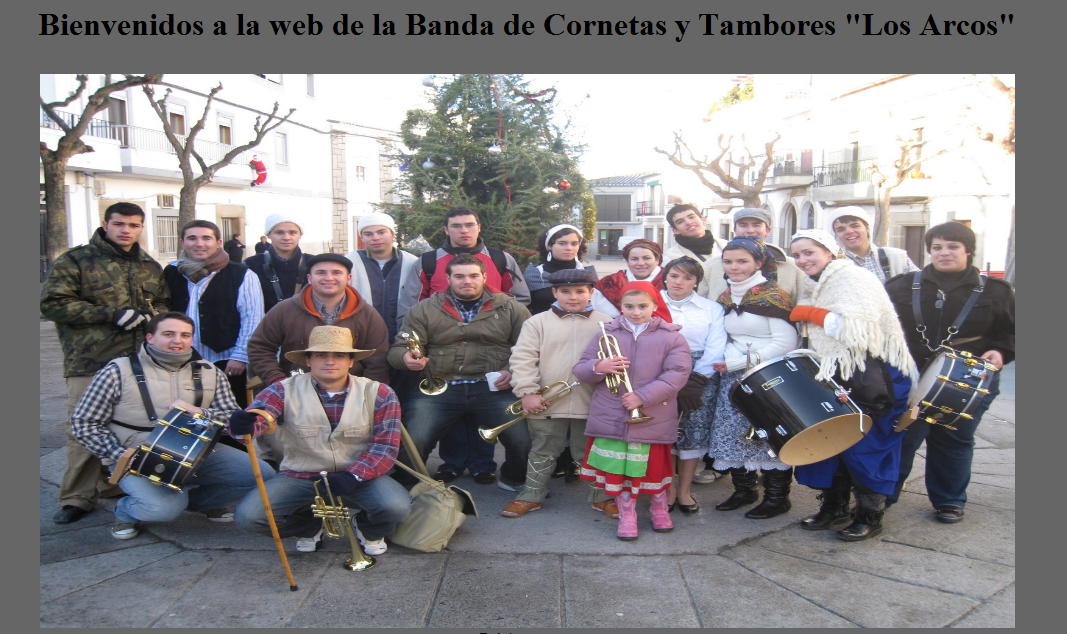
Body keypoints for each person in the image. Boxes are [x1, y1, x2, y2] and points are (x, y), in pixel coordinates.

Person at [70, 312, 274, 540]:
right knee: (163, 508)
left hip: (197, 449)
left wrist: (203, 413)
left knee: (261, 475)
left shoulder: (210, 371)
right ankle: (126, 511)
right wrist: (119, 455)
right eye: (168, 334)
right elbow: (84, 422)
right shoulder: (117, 371)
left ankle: (199, 503)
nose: (178, 341)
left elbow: (230, 419)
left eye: (185, 335)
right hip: (138, 454)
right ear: (150, 337)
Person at [41, 201, 171, 525]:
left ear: (141, 227)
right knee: (83, 428)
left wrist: (152, 317)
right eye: (119, 224)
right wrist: (109, 314)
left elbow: (165, 304)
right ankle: (77, 497)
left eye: (133, 225)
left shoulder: (148, 266)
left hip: (137, 363)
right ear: (106, 224)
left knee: (129, 427)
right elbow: (53, 303)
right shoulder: (77, 260)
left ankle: (112, 483)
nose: (126, 230)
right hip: (90, 360)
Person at [231, 326, 411, 556]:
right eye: (320, 355)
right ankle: (308, 526)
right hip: (301, 475)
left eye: (339, 355)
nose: (330, 361)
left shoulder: (380, 393)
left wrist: (354, 476)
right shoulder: (282, 390)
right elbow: (259, 417)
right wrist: (243, 425)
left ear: (351, 361)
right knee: (249, 517)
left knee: (397, 507)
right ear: (308, 360)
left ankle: (366, 527)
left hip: (359, 475)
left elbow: (385, 448)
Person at [788, 229, 917, 541]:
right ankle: (834, 508)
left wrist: (810, 314)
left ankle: (869, 515)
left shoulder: (852, 278)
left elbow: (857, 329)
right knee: (831, 443)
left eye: (809, 253)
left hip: (871, 375)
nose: (802, 260)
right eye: (797, 255)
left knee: (866, 446)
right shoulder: (815, 283)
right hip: (837, 373)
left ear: (830, 251)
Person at [884, 222, 1014, 524]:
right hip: (912, 378)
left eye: (953, 246)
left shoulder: (996, 290)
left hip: (969, 380)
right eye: (938, 247)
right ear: (930, 250)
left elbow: (1011, 331)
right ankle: (883, 495)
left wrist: (1001, 352)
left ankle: (949, 501)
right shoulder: (902, 285)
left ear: (968, 250)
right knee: (902, 437)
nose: (944, 253)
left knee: (954, 440)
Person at [397, 207, 530, 482]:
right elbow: (399, 346)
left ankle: (513, 478)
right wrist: (405, 359)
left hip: (492, 384)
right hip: (443, 384)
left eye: (473, 276)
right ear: (447, 279)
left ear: (485, 277)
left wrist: (512, 371)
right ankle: (408, 486)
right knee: (414, 437)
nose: (467, 281)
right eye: (459, 276)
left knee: (523, 438)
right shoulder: (424, 308)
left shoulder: (510, 306)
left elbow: (529, 348)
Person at [574, 281, 691, 540]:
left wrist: (642, 397)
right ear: (621, 307)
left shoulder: (672, 337)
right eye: (629, 306)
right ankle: (627, 513)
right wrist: (599, 366)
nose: (635, 312)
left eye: (642, 306)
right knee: (620, 470)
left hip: (653, 415)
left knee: (655, 469)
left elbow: (677, 375)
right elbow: (580, 369)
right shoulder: (606, 333)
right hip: (612, 414)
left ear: (654, 306)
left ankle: (660, 509)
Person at [500, 269, 616, 518]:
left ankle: (602, 496)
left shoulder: (606, 321)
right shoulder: (537, 322)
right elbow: (522, 359)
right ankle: (531, 494)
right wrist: (527, 392)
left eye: (580, 291)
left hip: (591, 402)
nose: (573, 297)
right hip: (547, 402)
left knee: (590, 452)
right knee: (543, 448)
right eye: (565, 291)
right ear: (554, 292)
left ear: (591, 293)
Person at [708, 237, 799, 520]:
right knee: (735, 434)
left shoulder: (772, 295)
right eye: (728, 261)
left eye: (742, 261)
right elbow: (730, 336)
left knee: (768, 435)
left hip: (768, 376)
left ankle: (777, 497)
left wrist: (739, 361)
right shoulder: (725, 296)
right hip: (734, 376)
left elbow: (786, 342)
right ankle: (744, 490)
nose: (734, 267)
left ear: (759, 263)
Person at [247, 253, 391, 386]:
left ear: (348, 278)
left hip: (351, 396)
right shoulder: (285, 310)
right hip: (296, 393)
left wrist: (367, 395)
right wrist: (277, 382)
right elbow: (259, 347)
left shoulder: (367, 315)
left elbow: (377, 361)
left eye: (336, 272)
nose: (329, 278)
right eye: (321, 273)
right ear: (309, 279)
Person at [164, 220, 264, 410]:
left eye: (206, 238)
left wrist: (240, 356)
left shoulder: (241, 274)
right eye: (192, 238)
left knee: (227, 417)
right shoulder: (171, 271)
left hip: (225, 360)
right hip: (179, 359)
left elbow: (252, 318)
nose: (199, 243)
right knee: (181, 414)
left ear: (218, 242)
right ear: (182, 242)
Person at [659, 257, 727, 514]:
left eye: (688, 278)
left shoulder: (711, 308)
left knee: (692, 431)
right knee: (665, 431)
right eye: (675, 276)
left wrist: (697, 380)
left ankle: (685, 490)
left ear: (697, 281)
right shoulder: (652, 302)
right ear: (666, 276)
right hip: (659, 371)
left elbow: (715, 345)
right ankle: (668, 489)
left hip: (699, 374)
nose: (680, 282)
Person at [698, 208, 806, 305]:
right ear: (735, 230)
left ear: (767, 230)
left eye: (757, 225)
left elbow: (802, 302)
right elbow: (700, 304)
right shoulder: (711, 267)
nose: (750, 230)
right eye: (743, 225)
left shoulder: (791, 266)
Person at [343, 212, 419, 346]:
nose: (376, 238)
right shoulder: (349, 262)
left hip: (402, 339)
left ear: (392, 234)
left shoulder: (412, 263)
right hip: (361, 339)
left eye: (381, 232)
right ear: (362, 237)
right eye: (368, 234)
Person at [244, 214, 315, 313]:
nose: (286, 237)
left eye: (292, 233)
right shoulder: (252, 264)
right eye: (279, 232)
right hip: (266, 325)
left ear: (300, 235)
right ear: (268, 234)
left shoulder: (314, 264)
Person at [828, 206, 920, 282]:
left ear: (867, 228)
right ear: (836, 235)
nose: (849, 231)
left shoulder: (897, 257)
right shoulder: (832, 265)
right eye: (841, 229)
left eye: (855, 226)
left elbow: (920, 285)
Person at [523, 224, 598, 316]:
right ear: (549, 245)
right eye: (562, 243)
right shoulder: (533, 274)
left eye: (574, 244)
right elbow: (524, 306)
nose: (569, 248)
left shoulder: (588, 275)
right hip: (543, 327)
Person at [591, 238, 665, 318]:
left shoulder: (670, 282)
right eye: (634, 259)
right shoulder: (608, 283)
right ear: (627, 261)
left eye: (646, 258)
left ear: (657, 260)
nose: (641, 263)